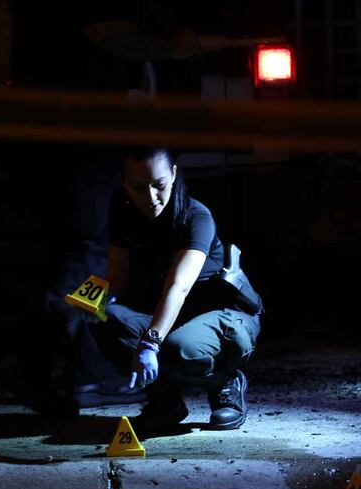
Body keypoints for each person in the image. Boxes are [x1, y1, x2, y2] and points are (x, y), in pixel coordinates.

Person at [90, 147, 263, 433]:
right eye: (138, 187)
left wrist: (150, 343)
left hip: (221, 313)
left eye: (158, 186)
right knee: (103, 316)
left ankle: (226, 382)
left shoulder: (196, 216)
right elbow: (116, 277)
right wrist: (87, 300)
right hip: (170, 313)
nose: (150, 198)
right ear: (123, 182)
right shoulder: (122, 208)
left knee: (181, 349)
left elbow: (178, 287)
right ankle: (164, 401)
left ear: (172, 174)